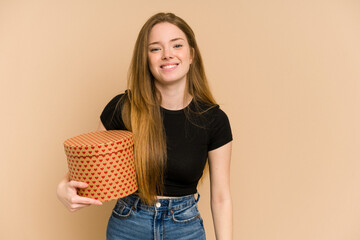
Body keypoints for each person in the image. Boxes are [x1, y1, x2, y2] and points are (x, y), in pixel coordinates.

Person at [57, 12, 233, 240]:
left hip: (185, 227)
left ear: (191, 55)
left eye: (176, 45)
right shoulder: (122, 107)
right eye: (155, 49)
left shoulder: (214, 120)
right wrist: (62, 187)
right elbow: (89, 168)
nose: (167, 55)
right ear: (145, 59)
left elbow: (221, 197)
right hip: (128, 224)